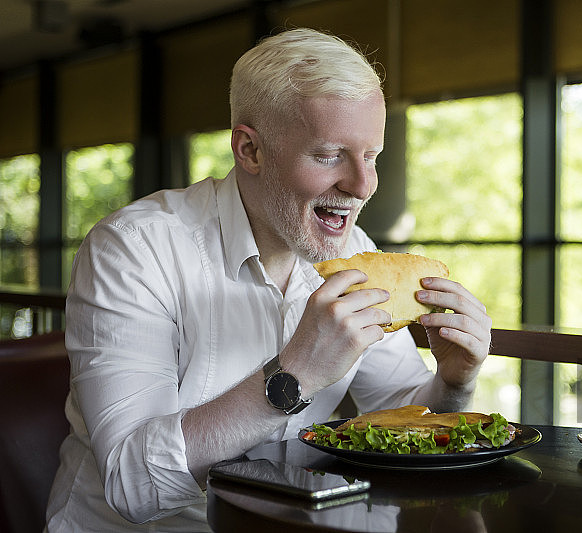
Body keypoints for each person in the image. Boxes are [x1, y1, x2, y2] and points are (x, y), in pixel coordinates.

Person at [44, 27, 492, 532]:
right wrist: (295, 373)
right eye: (329, 156)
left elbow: (398, 412)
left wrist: (454, 382)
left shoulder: (355, 253)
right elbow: (133, 486)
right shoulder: (132, 250)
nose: (362, 185)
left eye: (371, 157)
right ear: (250, 150)